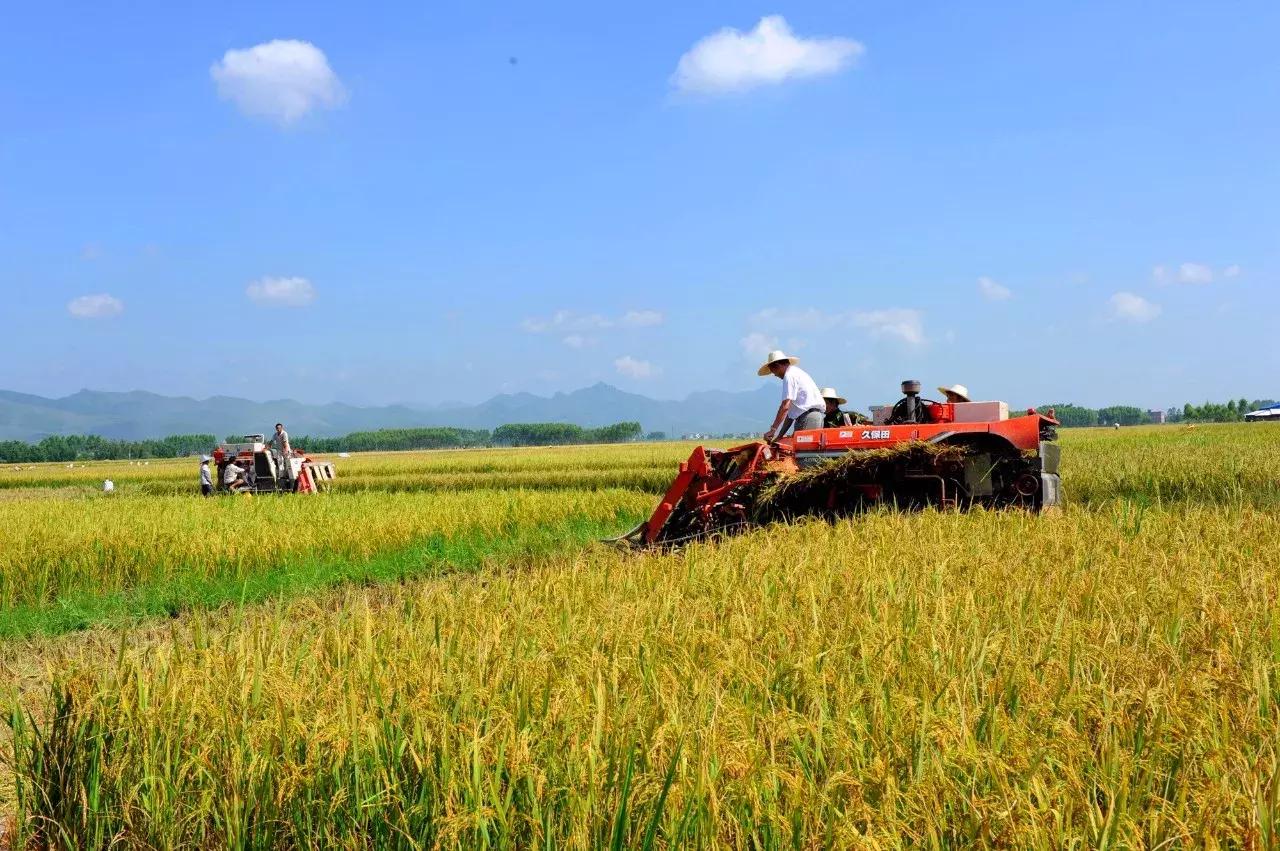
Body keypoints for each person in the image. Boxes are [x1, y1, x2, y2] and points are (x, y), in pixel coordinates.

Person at [758, 350, 824, 441]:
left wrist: (773, 430)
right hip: (815, 417)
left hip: (807, 418)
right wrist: (779, 436)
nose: (775, 375)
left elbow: (785, 407)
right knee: (804, 452)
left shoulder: (789, 376)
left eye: (774, 372)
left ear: (777, 366)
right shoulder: (797, 373)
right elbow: (790, 414)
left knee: (803, 453)